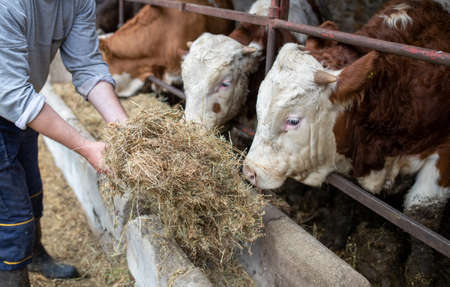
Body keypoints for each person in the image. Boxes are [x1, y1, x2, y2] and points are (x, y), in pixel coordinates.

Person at [0, 0, 129, 286]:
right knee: (12, 216)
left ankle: (34, 256)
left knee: (32, 192)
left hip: (22, 108)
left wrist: (124, 128)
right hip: (12, 100)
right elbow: (11, 94)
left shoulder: (77, 2)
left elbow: (87, 64)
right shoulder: (7, 6)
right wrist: (86, 148)